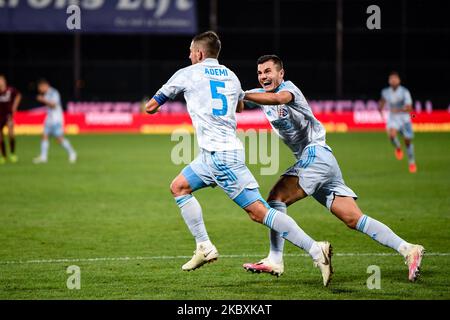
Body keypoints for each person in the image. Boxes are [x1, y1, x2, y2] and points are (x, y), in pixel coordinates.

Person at [145, 32, 334, 286]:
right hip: (209, 156)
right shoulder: (231, 75)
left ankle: (315, 249)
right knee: (179, 187)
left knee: (258, 212)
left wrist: (169, 98)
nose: (189, 56)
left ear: (199, 54)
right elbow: (239, 108)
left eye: (191, 52)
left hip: (222, 159)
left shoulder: (186, 73)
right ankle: (204, 246)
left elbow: (151, 107)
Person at [241, 55, 424, 282]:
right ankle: (408, 249)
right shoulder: (260, 94)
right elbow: (239, 105)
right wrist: (229, 96)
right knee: (353, 219)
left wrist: (243, 95)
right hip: (322, 161)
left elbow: (279, 99)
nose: (263, 76)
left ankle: (276, 259)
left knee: (276, 199)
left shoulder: (289, 90)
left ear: (281, 73)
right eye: (259, 73)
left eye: (268, 71)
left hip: (315, 155)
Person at [379, 71, 416, 173]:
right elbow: (382, 101)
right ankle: (398, 147)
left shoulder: (404, 92)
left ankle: (412, 162)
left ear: (399, 80)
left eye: (395, 79)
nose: (393, 81)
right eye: (391, 79)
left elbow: (409, 108)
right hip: (393, 119)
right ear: (389, 81)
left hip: (405, 119)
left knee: (407, 142)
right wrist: (380, 107)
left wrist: (400, 110)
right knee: (391, 135)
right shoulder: (386, 92)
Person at [33, 79, 77, 164]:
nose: (40, 90)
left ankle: (72, 153)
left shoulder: (54, 93)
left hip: (57, 120)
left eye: (40, 88)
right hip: (49, 119)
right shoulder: (46, 94)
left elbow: (53, 105)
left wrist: (43, 100)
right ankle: (43, 157)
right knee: (44, 136)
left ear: (44, 85)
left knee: (59, 139)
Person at [0, 74, 21, 164]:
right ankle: (3, 156)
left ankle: (12, 154)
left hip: (8, 115)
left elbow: (18, 96)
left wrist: (14, 107)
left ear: (4, 81)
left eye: (1, 80)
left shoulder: (10, 90)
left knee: (11, 134)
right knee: (0, 137)